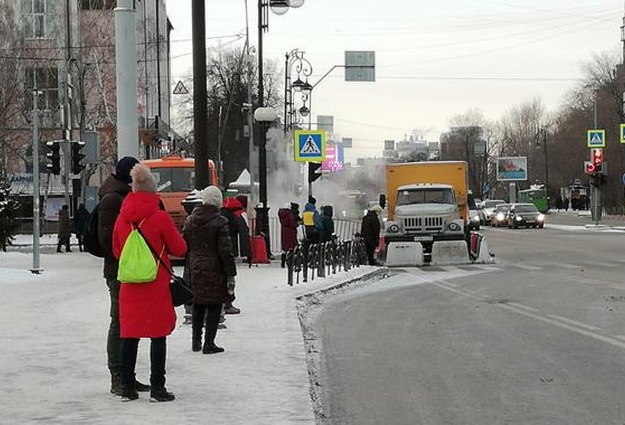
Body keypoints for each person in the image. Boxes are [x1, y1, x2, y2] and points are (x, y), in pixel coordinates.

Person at [113, 164, 187, 402]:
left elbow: (116, 250)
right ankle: (157, 388)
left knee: (129, 335)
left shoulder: (122, 219)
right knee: (158, 335)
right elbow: (180, 248)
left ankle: (127, 388)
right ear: (154, 193)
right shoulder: (160, 217)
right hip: (156, 285)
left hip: (129, 284)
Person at [97, 156, 151, 396]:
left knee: (129, 322)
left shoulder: (122, 196)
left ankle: (128, 375)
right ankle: (117, 375)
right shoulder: (112, 199)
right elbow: (108, 240)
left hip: (129, 269)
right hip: (119, 270)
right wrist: (129, 258)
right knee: (119, 321)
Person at [183, 185, 237, 354]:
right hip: (215, 268)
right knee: (214, 304)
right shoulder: (220, 222)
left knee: (198, 304)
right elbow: (225, 251)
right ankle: (209, 343)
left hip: (195, 267)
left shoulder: (190, 220)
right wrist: (231, 273)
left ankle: (196, 342)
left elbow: (184, 243)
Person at [278, 202, 299, 268]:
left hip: (284, 231)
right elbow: (292, 224)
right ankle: (293, 262)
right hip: (291, 232)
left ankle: (283, 263)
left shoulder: (281, 214)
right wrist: (297, 224)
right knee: (293, 247)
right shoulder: (290, 215)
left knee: (284, 249)